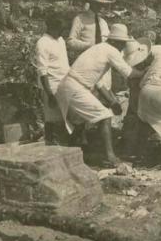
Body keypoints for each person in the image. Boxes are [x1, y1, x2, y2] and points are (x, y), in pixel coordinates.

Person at [55, 24, 143, 166]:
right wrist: (144, 73)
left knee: (79, 123)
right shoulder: (110, 51)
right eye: (122, 44)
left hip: (68, 85)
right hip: (75, 87)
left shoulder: (98, 48)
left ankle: (72, 156)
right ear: (115, 41)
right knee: (104, 116)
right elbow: (128, 73)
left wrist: (112, 101)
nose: (122, 47)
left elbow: (99, 82)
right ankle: (110, 156)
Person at [67, 0, 112, 89]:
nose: (101, 6)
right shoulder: (80, 19)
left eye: (102, 3)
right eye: (98, 3)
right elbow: (70, 41)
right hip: (87, 63)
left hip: (103, 66)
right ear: (91, 2)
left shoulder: (103, 23)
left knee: (105, 94)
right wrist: (88, 45)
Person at [34, 14, 70, 145]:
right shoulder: (42, 43)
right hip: (52, 86)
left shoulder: (60, 40)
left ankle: (62, 144)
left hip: (64, 83)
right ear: (52, 27)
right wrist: (49, 94)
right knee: (51, 118)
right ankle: (49, 143)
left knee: (64, 118)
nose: (62, 32)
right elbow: (42, 71)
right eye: (60, 29)